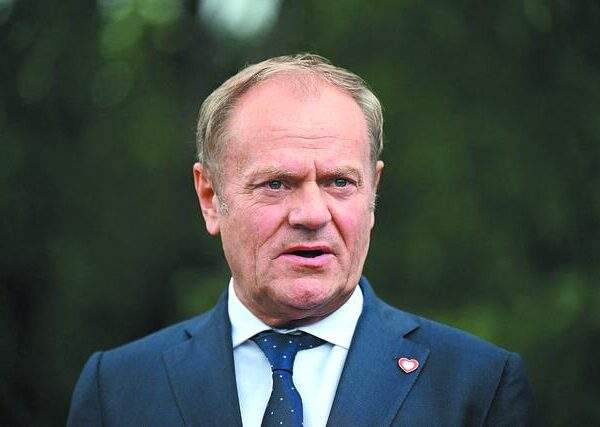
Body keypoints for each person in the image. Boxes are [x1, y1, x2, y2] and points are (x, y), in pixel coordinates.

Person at [67, 53, 535, 426]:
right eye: (276, 183)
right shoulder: (118, 389)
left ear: (373, 192)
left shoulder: (478, 386)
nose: (312, 214)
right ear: (210, 197)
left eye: (339, 182)